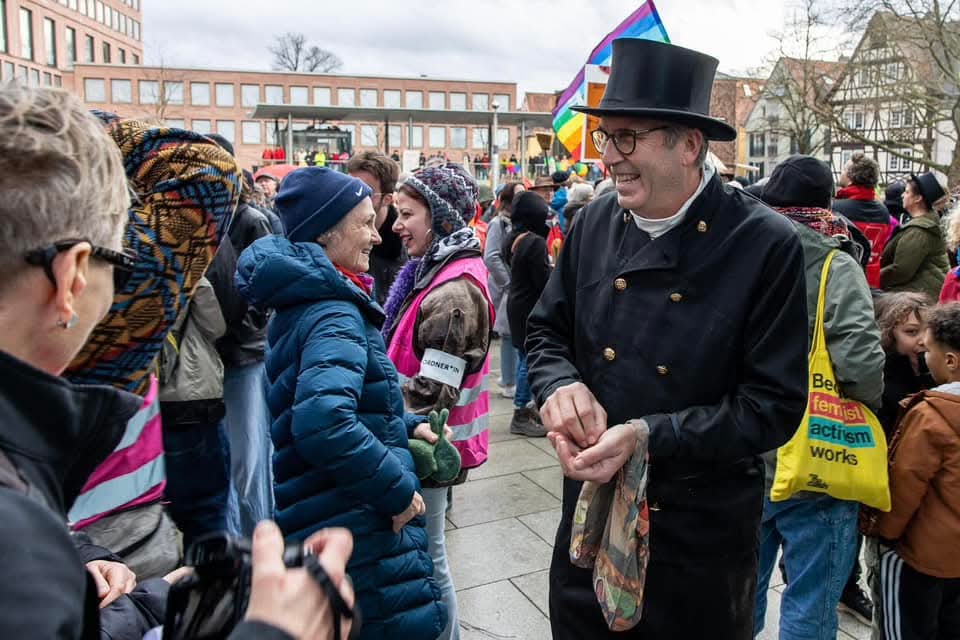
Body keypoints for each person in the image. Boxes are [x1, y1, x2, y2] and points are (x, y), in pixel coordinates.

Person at [0, 83, 350, 640]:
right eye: (116, 260)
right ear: (71, 279)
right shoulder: (19, 548)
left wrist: (146, 596)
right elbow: (204, 170)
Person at [525, 39, 809, 639]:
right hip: (589, 515)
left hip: (696, 543)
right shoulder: (592, 222)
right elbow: (546, 330)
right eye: (607, 137)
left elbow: (773, 406)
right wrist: (559, 385)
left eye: (628, 137)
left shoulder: (765, 244)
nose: (609, 157)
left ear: (689, 144)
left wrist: (650, 435)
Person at [236, 167, 447, 640]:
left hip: (324, 508)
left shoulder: (311, 299)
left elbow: (320, 403)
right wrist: (398, 490)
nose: (376, 235)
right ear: (326, 233)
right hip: (356, 519)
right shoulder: (334, 311)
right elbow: (323, 420)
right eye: (365, 223)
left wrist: (405, 429)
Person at [65, 111, 241, 579]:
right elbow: (207, 168)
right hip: (125, 552)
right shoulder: (110, 322)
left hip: (109, 532)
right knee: (209, 529)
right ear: (71, 272)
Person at [752, 156, 885, 639]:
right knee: (810, 598)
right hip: (818, 454)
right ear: (826, 203)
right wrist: (867, 406)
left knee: (740, 588)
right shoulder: (836, 261)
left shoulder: (744, 252)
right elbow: (860, 361)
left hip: (746, 448)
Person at [384, 165, 495, 640]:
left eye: (407, 214)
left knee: (430, 558)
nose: (395, 225)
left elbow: (433, 394)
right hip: (423, 444)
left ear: (441, 217)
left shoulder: (453, 293)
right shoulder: (438, 270)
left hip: (430, 449)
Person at [864, 302, 960, 640]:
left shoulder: (931, 415)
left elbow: (905, 483)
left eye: (929, 347)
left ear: (950, 361)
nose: (923, 350)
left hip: (917, 558)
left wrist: (882, 534)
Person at [207, 133, 278, 538]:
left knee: (249, 459)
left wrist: (238, 321)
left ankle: (262, 542)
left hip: (244, 355)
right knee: (233, 457)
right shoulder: (201, 216)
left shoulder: (249, 218)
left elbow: (265, 286)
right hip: (217, 355)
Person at [158, 276, 232, 545]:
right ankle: (209, 580)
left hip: (152, 404)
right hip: (194, 398)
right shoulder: (187, 271)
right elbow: (215, 325)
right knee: (206, 509)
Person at [504, 192, 552, 438]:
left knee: (525, 355)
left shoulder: (514, 237)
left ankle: (527, 409)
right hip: (529, 307)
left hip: (516, 304)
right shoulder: (534, 242)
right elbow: (542, 280)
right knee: (529, 359)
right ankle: (521, 412)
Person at [347, 151, 406, 306]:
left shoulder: (406, 245)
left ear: (387, 199)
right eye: (350, 187)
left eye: (366, 191)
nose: (354, 196)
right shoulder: (336, 235)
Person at [880, 171, 950, 300]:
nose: (902, 195)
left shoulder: (919, 231)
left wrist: (872, 277)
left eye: (907, 192)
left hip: (919, 298)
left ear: (918, 198)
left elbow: (901, 271)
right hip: (922, 293)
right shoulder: (924, 224)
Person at [484, 181, 525, 399]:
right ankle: (509, 381)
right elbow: (491, 256)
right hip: (504, 288)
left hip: (511, 286)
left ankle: (509, 377)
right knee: (509, 335)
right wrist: (508, 281)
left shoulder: (517, 222)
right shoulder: (498, 224)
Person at [874, 292, 935, 437]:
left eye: (929, 330)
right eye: (911, 332)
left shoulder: (942, 368)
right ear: (889, 336)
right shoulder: (883, 383)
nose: (923, 340)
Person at [834, 152, 897, 288]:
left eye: (844, 169)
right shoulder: (883, 212)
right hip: (871, 281)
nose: (841, 172)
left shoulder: (837, 209)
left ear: (851, 177)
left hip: (843, 281)